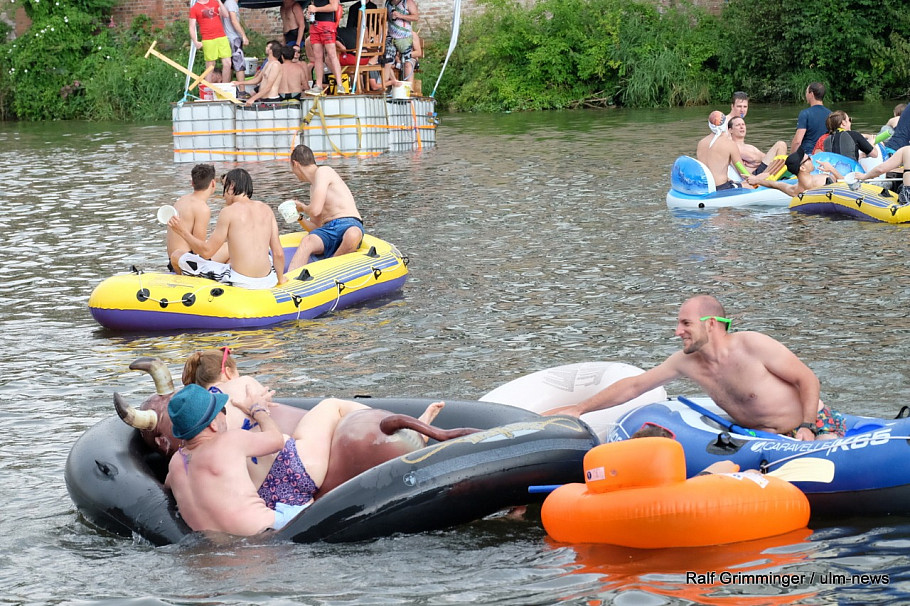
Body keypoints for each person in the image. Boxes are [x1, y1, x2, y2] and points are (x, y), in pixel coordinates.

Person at [543, 295, 846, 441]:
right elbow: (634, 386)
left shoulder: (752, 345)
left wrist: (808, 426)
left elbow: (807, 379)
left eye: (685, 323)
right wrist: (579, 409)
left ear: (711, 324)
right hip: (762, 436)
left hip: (812, 424)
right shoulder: (686, 362)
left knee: (827, 457)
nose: (678, 331)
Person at [164, 383, 445, 535]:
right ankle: (410, 432)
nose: (225, 418)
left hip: (235, 544)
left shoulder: (175, 466)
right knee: (331, 406)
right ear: (213, 425)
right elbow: (274, 439)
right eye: (222, 413)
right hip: (281, 525)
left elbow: (170, 486)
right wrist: (258, 410)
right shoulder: (229, 441)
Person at [168, 168, 287, 289]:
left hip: (241, 281)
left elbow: (206, 252)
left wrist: (182, 231)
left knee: (177, 255)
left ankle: (184, 289)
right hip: (268, 280)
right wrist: (281, 279)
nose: (223, 195)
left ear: (231, 186)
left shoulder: (228, 212)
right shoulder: (267, 209)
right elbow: (278, 253)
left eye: (224, 187)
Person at [286, 144, 364, 271]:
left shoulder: (324, 171)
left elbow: (315, 210)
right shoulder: (313, 188)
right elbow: (315, 227)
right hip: (328, 230)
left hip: (348, 223)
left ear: (295, 164)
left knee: (353, 234)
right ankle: (291, 279)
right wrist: (298, 217)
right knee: (307, 242)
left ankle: (330, 268)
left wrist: (302, 207)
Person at [167, 164, 228, 274]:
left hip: (173, 261)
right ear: (213, 183)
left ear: (192, 183)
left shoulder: (181, 200)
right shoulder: (202, 208)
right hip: (188, 264)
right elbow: (199, 251)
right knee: (230, 248)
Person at [747, 148, 843, 196]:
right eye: (809, 159)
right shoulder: (824, 179)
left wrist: (756, 180)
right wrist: (832, 169)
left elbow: (775, 184)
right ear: (802, 168)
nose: (812, 159)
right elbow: (845, 185)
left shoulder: (794, 191)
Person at [695, 111, 752, 190]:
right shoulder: (729, 144)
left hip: (705, 187)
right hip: (721, 187)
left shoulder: (701, 143)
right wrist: (757, 181)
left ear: (709, 125)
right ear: (725, 124)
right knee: (751, 185)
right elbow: (743, 171)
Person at [306, 0, 347, 95]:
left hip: (327, 24)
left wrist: (316, 9)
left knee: (332, 54)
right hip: (315, 24)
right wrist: (310, 12)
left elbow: (334, 7)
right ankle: (318, 85)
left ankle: (340, 84)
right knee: (317, 56)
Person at [189, 0, 233, 85]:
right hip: (208, 38)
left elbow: (226, 15)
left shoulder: (215, 2)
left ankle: (225, 87)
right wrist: (195, 41)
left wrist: (219, 1)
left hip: (221, 36)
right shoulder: (195, 8)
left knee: (228, 63)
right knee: (210, 66)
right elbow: (191, 27)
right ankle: (208, 89)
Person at [380, 0, 419, 86]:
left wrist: (400, 15)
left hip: (404, 37)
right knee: (387, 62)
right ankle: (383, 88)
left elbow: (416, 17)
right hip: (391, 37)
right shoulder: (388, 3)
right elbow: (385, 18)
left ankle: (409, 89)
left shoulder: (407, 2)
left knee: (407, 62)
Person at [814, 111, 878, 161]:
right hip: (851, 172)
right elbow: (875, 154)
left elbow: (840, 157)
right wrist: (871, 143)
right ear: (843, 123)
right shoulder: (854, 135)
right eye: (849, 120)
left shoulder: (826, 140)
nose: (850, 123)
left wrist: (861, 155)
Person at [238, 40, 284, 105]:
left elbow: (268, 87)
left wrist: (253, 98)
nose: (266, 48)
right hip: (263, 99)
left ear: (271, 51)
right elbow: (257, 80)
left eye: (267, 46)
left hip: (271, 100)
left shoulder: (275, 65)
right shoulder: (268, 63)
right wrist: (239, 83)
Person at [790, 82, 831, 155]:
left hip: (808, 154)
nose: (805, 95)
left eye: (806, 92)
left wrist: (791, 157)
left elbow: (797, 142)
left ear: (811, 94)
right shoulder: (831, 114)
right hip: (825, 154)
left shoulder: (805, 113)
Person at [220, 0, 250, 97]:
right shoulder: (231, 3)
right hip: (233, 38)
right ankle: (242, 91)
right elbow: (234, 20)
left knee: (229, 66)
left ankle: (227, 89)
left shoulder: (227, 3)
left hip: (227, 38)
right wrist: (243, 36)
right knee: (239, 65)